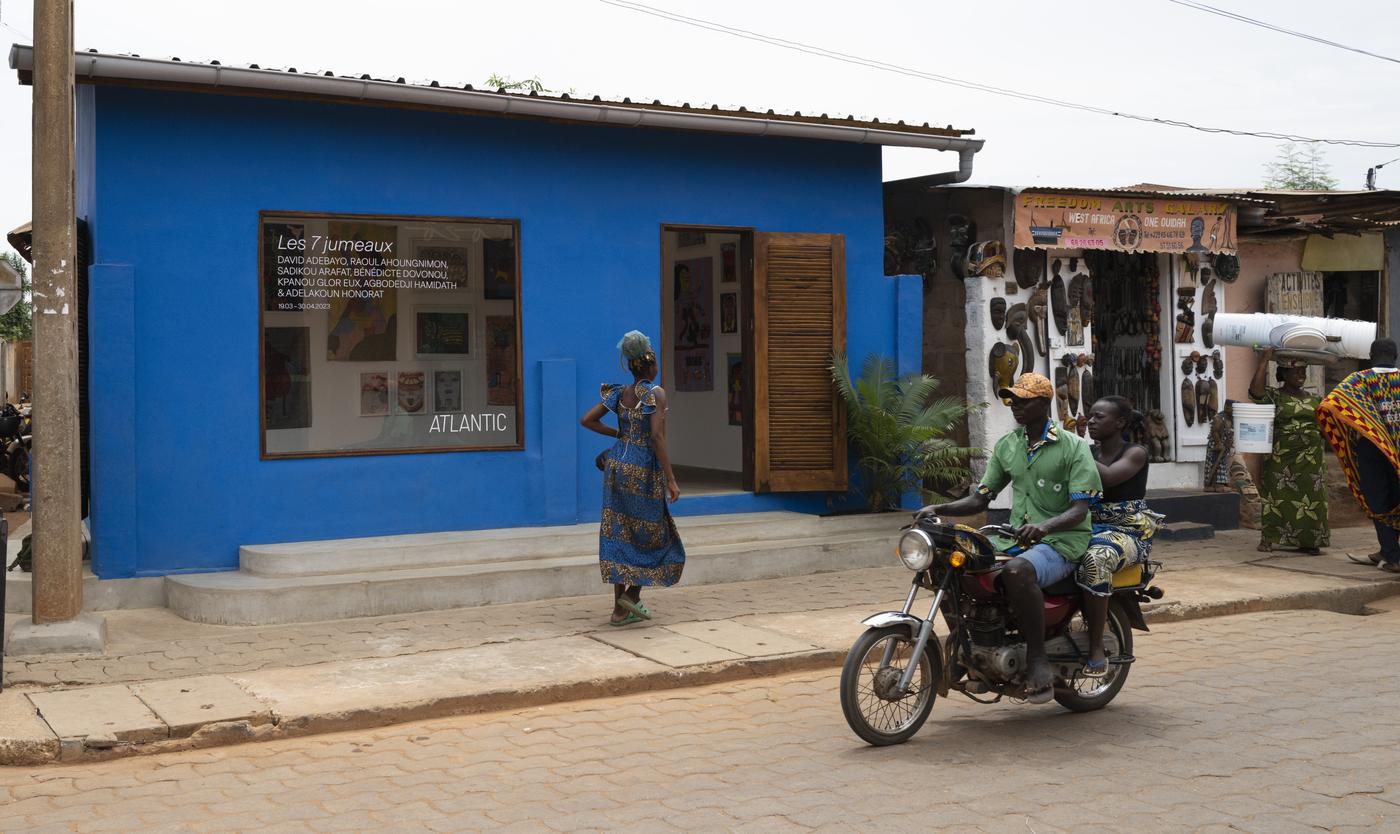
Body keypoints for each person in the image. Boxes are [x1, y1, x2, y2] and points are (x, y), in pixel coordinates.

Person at [919, 372, 1102, 702]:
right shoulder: (1008, 446)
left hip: (1062, 541)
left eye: (1023, 400)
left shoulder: (1073, 447)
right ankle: (966, 645)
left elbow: (1079, 509)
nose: (1015, 406)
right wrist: (938, 508)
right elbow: (980, 498)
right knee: (953, 567)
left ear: (1044, 404)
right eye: (1012, 400)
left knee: (1017, 571)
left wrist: (1045, 527)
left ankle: (1037, 659)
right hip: (1015, 538)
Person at [580, 331, 685, 626]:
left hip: (615, 466)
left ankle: (619, 610)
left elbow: (586, 420)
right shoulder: (655, 394)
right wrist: (672, 479)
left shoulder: (617, 393)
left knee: (619, 533)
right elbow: (656, 436)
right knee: (657, 533)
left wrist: (618, 435)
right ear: (649, 364)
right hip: (643, 470)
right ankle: (633, 594)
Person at [1080, 396, 1162, 677]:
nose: (1091, 421)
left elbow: (1111, 477)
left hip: (1127, 532)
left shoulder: (1135, 452)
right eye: (1089, 415)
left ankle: (1096, 647)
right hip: (1086, 526)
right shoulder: (1087, 452)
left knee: (1096, 558)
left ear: (1120, 423)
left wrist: (1075, 447)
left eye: (1098, 416)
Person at [1319, 339, 1400, 573]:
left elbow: (1331, 404)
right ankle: (1388, 551)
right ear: (1395, 356)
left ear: (1371, 355)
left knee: (1377, 501)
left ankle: (1392, 556)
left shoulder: (1358, 380)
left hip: (1372, 450)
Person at [1248, 348, 1329, 555]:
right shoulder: (1274, 396)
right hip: (1281, 456)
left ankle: (1309, 541)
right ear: (1283, 374)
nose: (1301, 375)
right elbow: (1255, 392)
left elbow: (1326, 427)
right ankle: (1269, 538)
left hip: (1311, 458)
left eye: (1303, 371)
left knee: (1311, 498)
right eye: (1296, 372)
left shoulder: (1315, 399)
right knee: (1276, 496)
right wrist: (1264, 359)